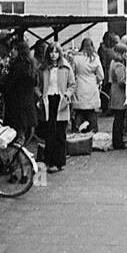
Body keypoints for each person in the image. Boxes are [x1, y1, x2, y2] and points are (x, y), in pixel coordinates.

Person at [41, 43, 75, 171]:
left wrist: (67, 95)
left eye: (55, 52)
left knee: (60, 132)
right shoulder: (44, 68)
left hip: (61, 101)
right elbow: (38, 85)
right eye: (51, 52)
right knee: (50, 132)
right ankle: (50, 162)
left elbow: (72, 84)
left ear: (59, 53)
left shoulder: (66, 67)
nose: (53, 54)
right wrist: (40, 96)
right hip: (48, 100)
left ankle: (60, 161)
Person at [2, 43, 38, 145]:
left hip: (16, 104)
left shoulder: (17, 66)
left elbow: (9, 84)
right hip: (28, 102)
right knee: (25, 133)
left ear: (20, 51)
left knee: (18, 134)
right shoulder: (31, 65)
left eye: (14, 49)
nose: (12, 51)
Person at [70, 37, 102, 134]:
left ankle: (76, 131)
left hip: (79, 85)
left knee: (79, 112)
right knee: (91, 112)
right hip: (91, 86)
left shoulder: (76, 58)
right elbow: (101, 75)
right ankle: (93, 132)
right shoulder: (95, 58)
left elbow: (72, 72)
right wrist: (96, 80)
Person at [108, 40, 127, 150]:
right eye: (125, 53)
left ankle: (117, 141)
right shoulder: (119, 65)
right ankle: (118, 142)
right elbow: (121, 81)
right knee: (119, 119)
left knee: (117, 119)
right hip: (119, 94)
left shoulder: (113, 62)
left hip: (114, 92)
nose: (126, 55)